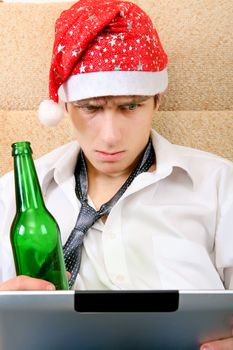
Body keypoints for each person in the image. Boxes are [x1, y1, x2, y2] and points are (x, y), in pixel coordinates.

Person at [0, 0, 233, 348]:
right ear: (64, 106)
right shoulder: (12, 195)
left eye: (130, 106)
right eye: (90, 108)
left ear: (158, 99)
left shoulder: (218, 183)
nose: (110, 136)